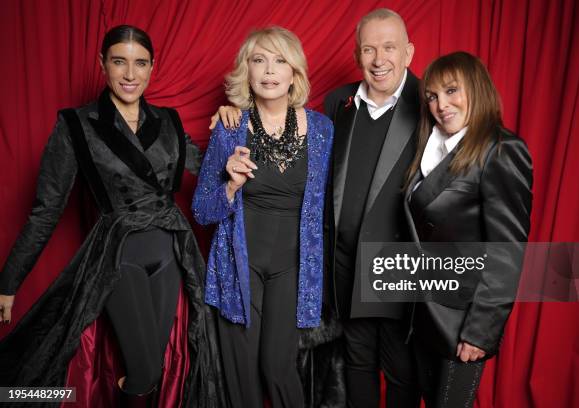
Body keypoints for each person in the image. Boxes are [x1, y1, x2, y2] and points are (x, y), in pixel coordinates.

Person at [0, 25, 226, 407]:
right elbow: (45, 210)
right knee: (138, 371)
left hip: (172, 252)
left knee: (154, 369)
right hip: (119, 254)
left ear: (153, 68)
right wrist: (8, 282)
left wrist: (233, 120)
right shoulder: (75, 124)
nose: (130, 74)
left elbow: (214, 174)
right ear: (102, 64)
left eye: (140, 64)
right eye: (119, 62)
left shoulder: (168, 121)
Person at [191, 27, 334, 408]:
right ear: (247, 72)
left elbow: (329, 207)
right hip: (239, 267)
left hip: (293, 267)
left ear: (294, 73)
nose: (269, 70)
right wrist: (231, 185)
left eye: (280, 60)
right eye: (259, 60)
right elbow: (202, 209)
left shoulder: (321, 129)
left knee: (278, 368)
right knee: (242, 380)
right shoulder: (230, 127)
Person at [403, 51, 533, 407]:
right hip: (423, 311)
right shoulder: (430, 149)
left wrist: (481, 331)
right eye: (432, 96)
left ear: (476, 89)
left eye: (451, 91)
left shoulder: (502, 150)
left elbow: (507, 251)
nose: (441, 104)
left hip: (462, 319)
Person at [322, 9, 421, 408]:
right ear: (357, 54)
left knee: (402, 371)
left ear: (409, 53)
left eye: (389, 47)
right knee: (356, 365)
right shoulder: (336, 102)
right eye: (369, 49)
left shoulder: (429, 103)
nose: (379, 59)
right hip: (347, 262)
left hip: (400, 264)